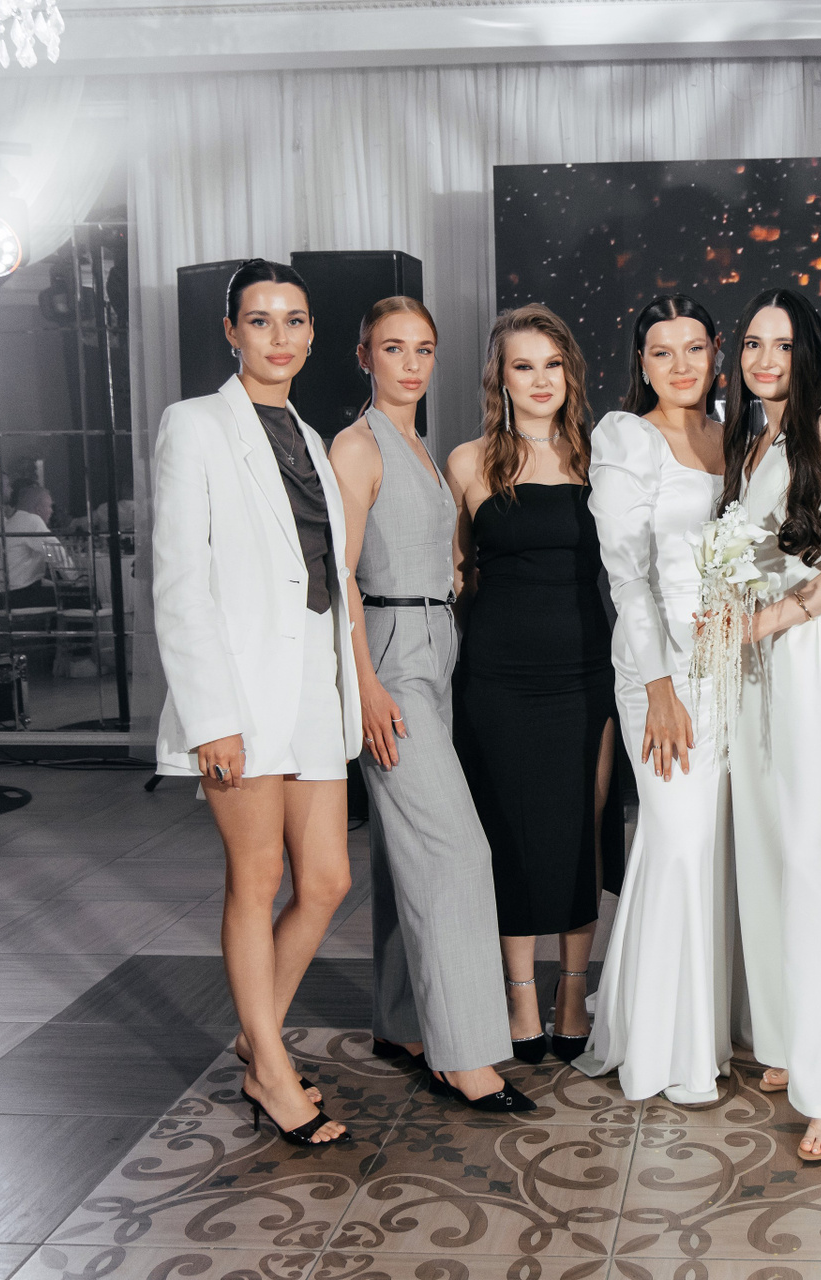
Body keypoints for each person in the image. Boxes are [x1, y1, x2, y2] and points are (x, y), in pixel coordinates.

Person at [150, 258, 358, 1149]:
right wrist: (212, 718)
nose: (280, 336)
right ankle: (270, 1069)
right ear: (231, 331)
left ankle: (255, 1033)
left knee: (329, 878)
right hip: (238, 688)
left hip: (312, 683)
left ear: (312, 334)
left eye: (295, 320)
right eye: (262, 320)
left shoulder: (311, 436)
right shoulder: (196, 425)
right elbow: (178, 582)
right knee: (258, 877)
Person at [330, 295, 530, 1113]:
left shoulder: (418, 444)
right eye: (393, 348)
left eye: (423, 349)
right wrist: (364, 685)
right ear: (364, 356)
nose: (410, 363)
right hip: (388, 651)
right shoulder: (357, 444)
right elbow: (339, 574)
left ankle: (402, 1023)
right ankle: (466, 1055)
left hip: (436, 645)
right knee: (455, 851)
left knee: (404, 848)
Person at [724, 288, 821, 1160]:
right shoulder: (751, 440)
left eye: (782, 345)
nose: (765, 359)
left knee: (815, 856)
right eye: (753, 343)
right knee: (766, 847)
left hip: (814, 645)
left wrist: (772, 619)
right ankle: (785, 1037)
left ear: (810, 351)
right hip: (756, 654)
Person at [447, 304, 620, 1066]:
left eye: (553, 364)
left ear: (570, 373)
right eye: (524, 365)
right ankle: (520, 994)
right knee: (508, 833)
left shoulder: (602, 460)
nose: (541, 379)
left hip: (586, 672)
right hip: (497, 677)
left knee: (582, 831)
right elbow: (457, 575)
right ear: (501, 378)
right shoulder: (468, 462)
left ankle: (572, 990)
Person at [574, 295, 734, 1108]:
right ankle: (663, 1049)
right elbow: (626, 574)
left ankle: (693, 1028)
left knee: (708, 849)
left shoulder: (732, 437)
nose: (680, 365)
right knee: (676, 839)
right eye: (662, 352)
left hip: (730, 669)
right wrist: (662, 690)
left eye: (694, 348)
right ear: (641, 362)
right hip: (658, 672)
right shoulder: (625, 437)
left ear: (717, 353)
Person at [0, 476, 69, 611]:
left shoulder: (4, 523)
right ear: (38, 509)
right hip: (15, 598)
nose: (52, 511)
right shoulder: (30, 520)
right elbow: (56, 553)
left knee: (60, 592)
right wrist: (76, 580)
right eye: (50, 506)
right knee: (78, 597)